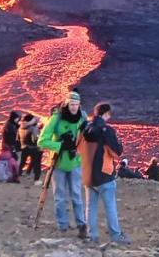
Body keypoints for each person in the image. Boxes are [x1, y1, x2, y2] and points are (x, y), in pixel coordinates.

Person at [38, 90, 89, 238]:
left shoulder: (82, 118)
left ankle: (81, 225)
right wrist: (60, 145)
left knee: (76, 195)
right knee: (60, 196)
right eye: (72, 104)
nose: (74, 108)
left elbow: (87, 137)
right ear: (67, 104)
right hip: (58, 163)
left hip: (75, 162)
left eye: (76, 105)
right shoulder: (56, 118)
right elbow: (42, 141)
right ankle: (62, 226)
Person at [81, 102, 130, 245]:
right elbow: (116, 152)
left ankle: (92, 236)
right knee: (110, 206)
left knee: (90, 207)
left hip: (88, 174)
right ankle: (116, 235)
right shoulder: (106, 130)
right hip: (104, 174)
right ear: (106, 113)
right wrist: (119, 144)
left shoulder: (85, 129)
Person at [19, 113, 42, 181]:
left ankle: (18, 174)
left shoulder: (21, 127)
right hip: (33, 148)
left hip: (23, 146)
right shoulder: (32, 128)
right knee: (36, 163)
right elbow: (35, 139)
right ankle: (36, 179)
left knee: (22, 162)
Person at [1, 110, 22, 183]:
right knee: (14, 159)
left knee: (12, 159)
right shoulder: (11, 126)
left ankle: (10, 174)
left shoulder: (9, 124)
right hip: (10, 145)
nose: (19, 120)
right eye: (18, 118)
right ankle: (13, 175)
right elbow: (13, 137)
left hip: (8, 145)